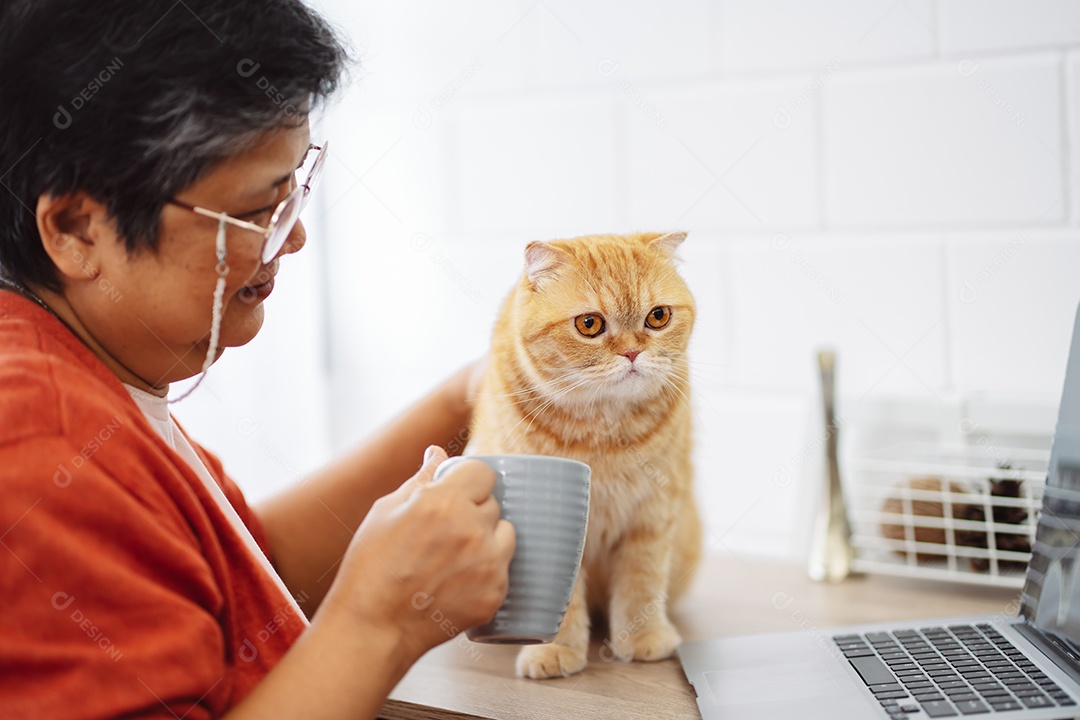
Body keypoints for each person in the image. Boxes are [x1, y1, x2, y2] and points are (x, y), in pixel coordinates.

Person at [0, 1, 515, 718]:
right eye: (253, 212)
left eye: (292, 192)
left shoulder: (85, 367)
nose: (294, 236)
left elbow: (237, 576)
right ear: (77, 228)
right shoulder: (41, 438)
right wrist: (381, 624)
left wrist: (468, 399)